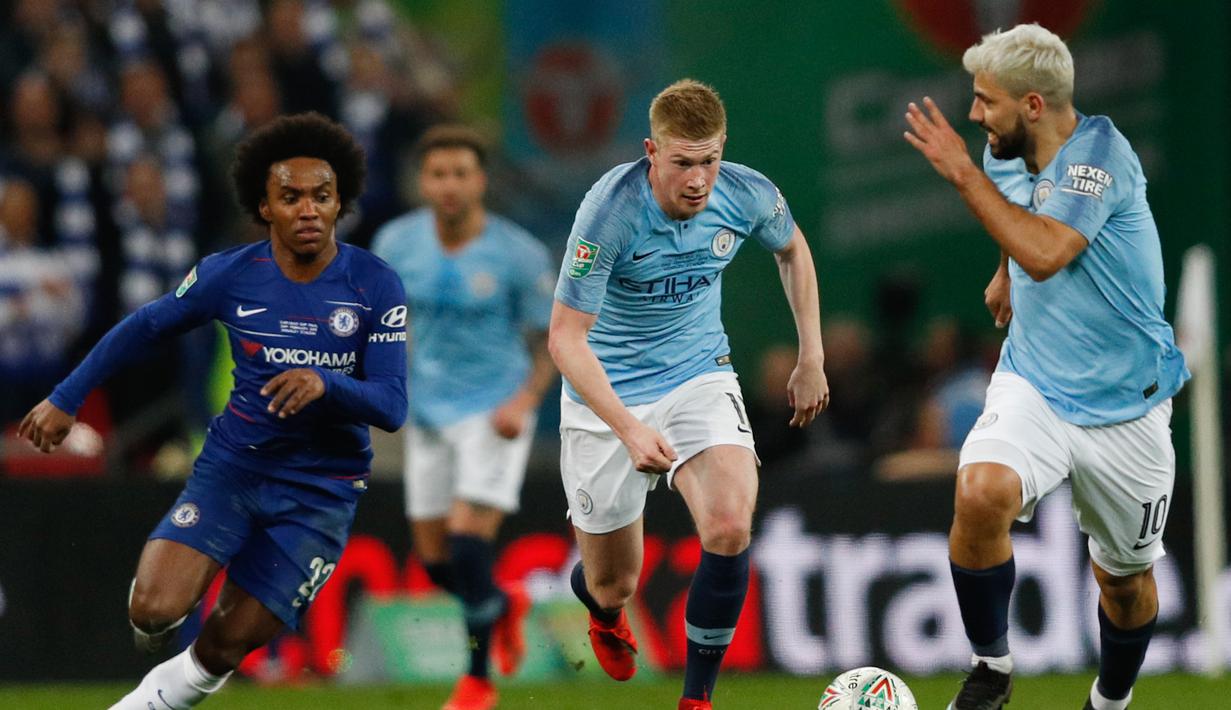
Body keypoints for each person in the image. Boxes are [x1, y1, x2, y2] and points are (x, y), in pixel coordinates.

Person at [18, 112, 409, 709]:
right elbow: (145, 326)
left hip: (321, 488)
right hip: (234, 469)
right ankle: (159, 606)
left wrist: (328, 384)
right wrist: (65, 397)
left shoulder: (375, 284)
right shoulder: (230, 274)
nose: (308, 209)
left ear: (340, 203)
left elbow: (391, 404)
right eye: (291, 197)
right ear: (265, 206)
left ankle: (144, 704)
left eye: (322, 197)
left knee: (225, 646)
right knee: (152, 613)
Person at [903, 23, 1189, 710]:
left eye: (985, 102)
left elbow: (1046, 249)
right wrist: (1002, 271)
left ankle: (1108, 702)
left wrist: (967, 183)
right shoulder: (1007, 147)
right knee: (977, 492)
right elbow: (1019, 221)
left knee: (1122, 584)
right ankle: (991, 670)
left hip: (1128, 404)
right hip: (1033, 380)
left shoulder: (1098, 158)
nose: (974, 115)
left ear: (1032, 105)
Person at [549, 79, 829, 710]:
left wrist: (811, 353)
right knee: (615, 581)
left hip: (698, 373)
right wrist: (627, 428)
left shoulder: (747, 193)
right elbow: (566, 340)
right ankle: (601, 608)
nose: (699, 179)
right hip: (606, 393)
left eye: (710, 160)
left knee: (730, 525)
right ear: (652, 152)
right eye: (682, 163)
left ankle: (696, 700)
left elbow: (793, 249)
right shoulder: (610, 213)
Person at [371, 124, 556, 710]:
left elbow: (552, 339)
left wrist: (524, 403)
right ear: (423, 183)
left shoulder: (518, 253)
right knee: (435, 564)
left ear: (480, 181)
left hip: (495, 410)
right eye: (438, 174)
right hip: (427, 414)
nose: (449, 185)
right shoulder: (396, 243)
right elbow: (379, 323)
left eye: (460, 173)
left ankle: (476, 681)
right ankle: (501, 604)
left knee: (468, 545)